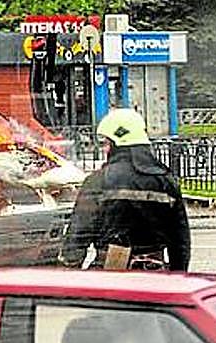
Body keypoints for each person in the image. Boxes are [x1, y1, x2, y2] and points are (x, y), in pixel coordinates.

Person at [59, 108, 190, 271]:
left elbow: (78, 235)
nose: (105, 149)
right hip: (156, 277)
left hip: (110, 275)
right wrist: (178, 275)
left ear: (117, 143)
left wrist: (70, 275)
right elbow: (180, 240)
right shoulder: (165, 180)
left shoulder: (98, 180)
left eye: (106, 143)